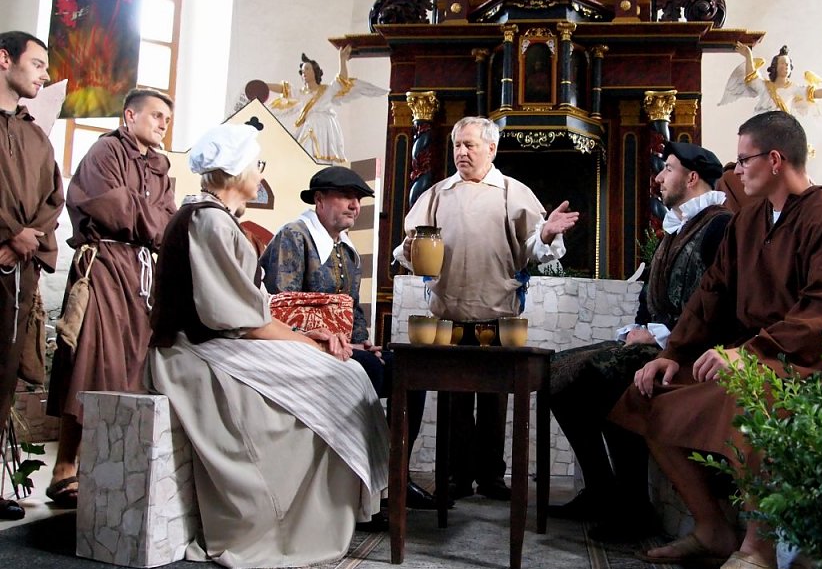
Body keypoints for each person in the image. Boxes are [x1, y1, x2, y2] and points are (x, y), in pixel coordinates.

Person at [611, 111, 822, 569]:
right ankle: (713, 528)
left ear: (775, 160)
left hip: (820, 359)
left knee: (748, 398)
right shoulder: (750, 219)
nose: (735, 171)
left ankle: (761, 549)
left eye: (742, 159)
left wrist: (751, 354)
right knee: (648, 394)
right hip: (761, 354)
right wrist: (674, 353)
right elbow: (713, 292)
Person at [145, 123, 389, 569]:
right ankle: (288, 518)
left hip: (225, 339)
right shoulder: (208, 221)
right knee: (338, 378)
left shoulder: (217, 219)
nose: (261, 173)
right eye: (257, 164)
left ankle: (342, 501)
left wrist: (310, 338)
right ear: (235, 170)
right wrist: (308, 343)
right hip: (194, 351)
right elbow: (240, 318)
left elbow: (251, 311)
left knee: (346, 372)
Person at [548, 142, 732, 541]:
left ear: (692, 177)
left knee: (607, 377)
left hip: (692, 352)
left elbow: (716, 303)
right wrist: (638, 330)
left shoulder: (719, 227)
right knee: (554, 373)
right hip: (659, 343)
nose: (659, 177)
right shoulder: (675, 228)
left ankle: (634, 508)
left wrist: (658, 335)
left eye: (668, 169)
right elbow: (648, 298)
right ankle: (601, 489)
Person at [393, 115, 579, 500]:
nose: (461, 152)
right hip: (447, 314)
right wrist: (408, 251)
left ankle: (492, 477)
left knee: (495, 399)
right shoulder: (438, 194)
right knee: (453, 400)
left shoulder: (512, 192)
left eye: (470, 145)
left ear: (491, 149)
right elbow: (410, 250)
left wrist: (546, 233)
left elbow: (536, 250)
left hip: (498, 313)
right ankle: (455, 477)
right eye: (457, 145)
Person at [260, 166, 440, 510]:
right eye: (345, 197)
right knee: (370, 371)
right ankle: (361, 486)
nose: (354, 205)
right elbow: (282, 306)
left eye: (357, 199)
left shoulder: (346, 249)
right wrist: (328, 338)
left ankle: (395, 477)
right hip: (299, 348)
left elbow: (353, 309)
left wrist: (363, 341)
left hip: (341, 349)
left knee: (410, 370)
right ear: (319, 200)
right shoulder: (294, 237)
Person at [45, 88, 178, 508]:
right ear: (129, 115)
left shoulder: (160, 166)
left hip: (141, 275)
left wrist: (143, 213)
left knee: (133, 367)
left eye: (167, 119)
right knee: (91, 360)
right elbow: (109, 206)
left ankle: (109, 466)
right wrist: (148, 216)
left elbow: (168, 221)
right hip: (103, 265)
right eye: (155, 115)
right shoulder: (105, 151)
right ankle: (65, 466)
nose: (162, 124)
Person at [0, 31, 64, 521]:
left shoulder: (35, 135)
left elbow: (53, 199)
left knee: (2, 377)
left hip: (16, 273)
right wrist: (8, 232)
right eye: (38, 63)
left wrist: (28, 238)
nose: (44, 74)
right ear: (4, 59)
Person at [266, 44, 386, 164]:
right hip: (309, 126)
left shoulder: (327, 90)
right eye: (302, 71)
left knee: (323, 157)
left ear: (315, 71)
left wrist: (342, 60)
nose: (304, 73)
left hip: (325, 126)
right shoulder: (301, 93)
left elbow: (342, 81)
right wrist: (264, 86)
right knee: (305, 153)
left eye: (307, 69)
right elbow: (284, 89)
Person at [720, 43, 822, 118]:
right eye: (782, 63)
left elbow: (813, 93)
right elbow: (751, 78)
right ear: (775, 67)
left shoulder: (793, 88)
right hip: (762, 123)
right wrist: (749, 56)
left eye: (788, 64)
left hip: (782, 124)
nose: (786, 66)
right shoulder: (765, 86)